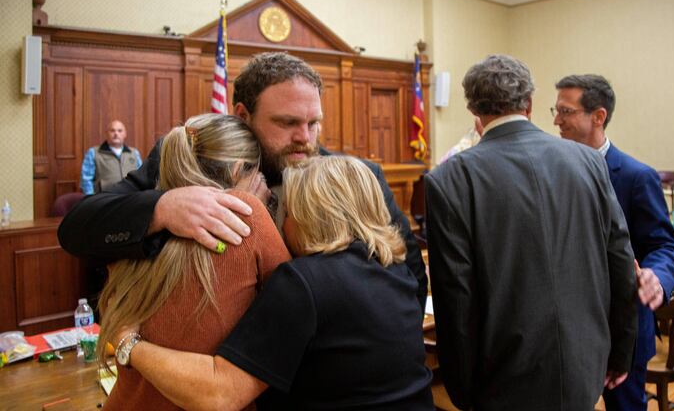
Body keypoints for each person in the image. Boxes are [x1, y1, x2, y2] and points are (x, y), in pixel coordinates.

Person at [57, 52, 427, 310]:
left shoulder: (358, 179)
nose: (305, 137)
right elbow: (76, 228)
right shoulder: (190, 159)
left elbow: (409, 277)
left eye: (313, 122)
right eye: (287, 123)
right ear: (242, 115)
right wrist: (163, 208)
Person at [109, 156, 434, 410]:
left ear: (310, 217)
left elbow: (219, 394)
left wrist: (129, 344)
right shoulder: (396, 271)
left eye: (286, 212)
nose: (281, 224)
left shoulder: (305, 282)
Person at [425, 54, 638, 410]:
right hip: (585, 366)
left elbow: (455, 296)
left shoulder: (450, 178)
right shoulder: (588, 161)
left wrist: (460, 388)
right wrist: (620, 353)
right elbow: (620, 262)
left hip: (501, 376)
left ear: (473, 109)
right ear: (529, 103)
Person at [97, 114, 290, 410]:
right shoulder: (247, 212)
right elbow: (294, 303)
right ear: (239, 169)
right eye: (259, 175)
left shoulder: (143, 218)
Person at [553, 74, 674, 411]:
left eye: (566, 112)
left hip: (621, 329)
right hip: (566, 331)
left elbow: (664, 246)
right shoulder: (552, 171)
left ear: (598, 117)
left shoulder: (637, 177)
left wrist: (658, 276)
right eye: (556, 110)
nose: (555, 120)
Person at [80, 120, 142, 195]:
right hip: (105, 199)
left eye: (120, 131)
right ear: (106, 133)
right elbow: (86, 179)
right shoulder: (93, 152)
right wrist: (91, 199)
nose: (116, 134)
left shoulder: (134, 153)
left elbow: (140, 177)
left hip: (131, 198)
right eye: (112, 131)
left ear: (125, 134)